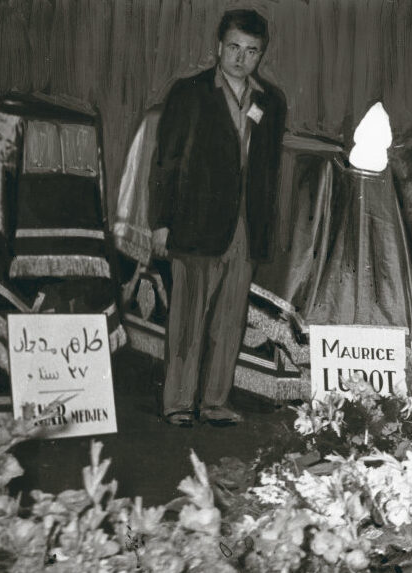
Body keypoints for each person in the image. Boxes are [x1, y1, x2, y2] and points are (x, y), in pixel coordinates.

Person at [149, 8, 287, 426]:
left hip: (245, 226)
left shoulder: (271, 102)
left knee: (230, 320)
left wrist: (264, 228)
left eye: (251, 51)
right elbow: (165, 163)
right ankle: (177, 403)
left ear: (260, 55)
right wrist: (160, 222)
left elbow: (268, 171)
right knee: (188, 320)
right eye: (234, 48)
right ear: (218, 47)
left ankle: (214, 401)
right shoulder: (189, 93)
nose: (241, 59)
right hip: (194, 223)